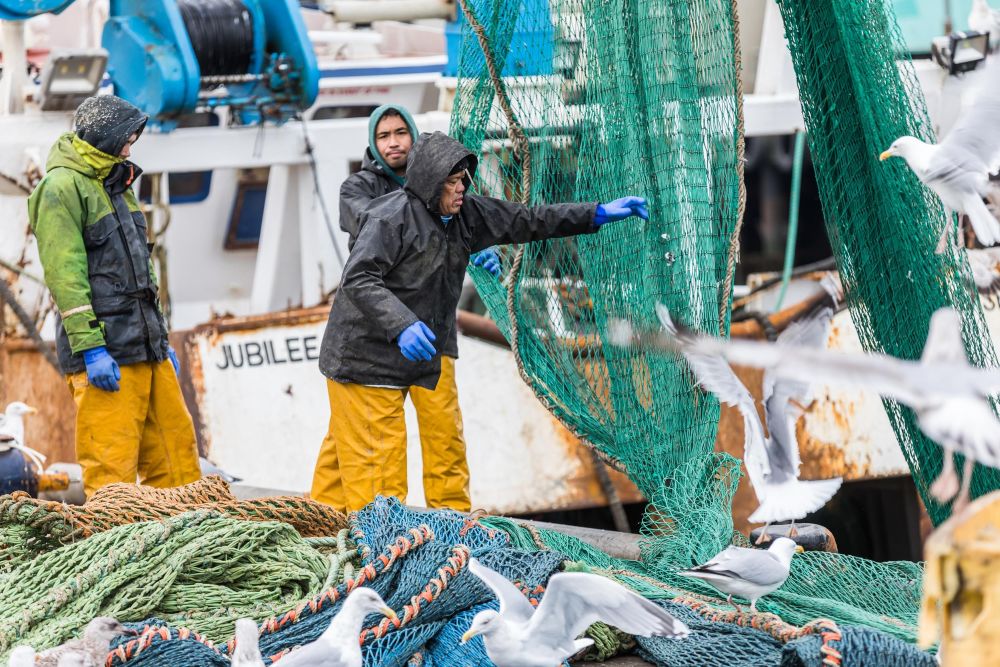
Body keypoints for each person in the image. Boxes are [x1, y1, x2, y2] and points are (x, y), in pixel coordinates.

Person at [314, 131, 648, 512]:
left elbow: (530, 220)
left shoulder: (466, 214)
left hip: (419, 356)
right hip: (365, 359)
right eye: (451, 183)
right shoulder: (389, 218)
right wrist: (401, 324)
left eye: (462, 181)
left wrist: (596, 213)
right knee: (378, 470)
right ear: (428, 183)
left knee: (407, 449)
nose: (460, 190)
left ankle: (391, 528)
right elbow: (358, 278)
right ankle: (374, 551)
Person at [311, 105, 498, 513]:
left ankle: (452, 518)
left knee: (444, 431)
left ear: (414, 136)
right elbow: (377, 226)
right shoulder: (357, 189)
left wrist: (477, 241)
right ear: (373, 145)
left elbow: (478, 219)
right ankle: (322, 517)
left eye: (400, 132)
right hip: (378, 337)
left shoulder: (450, 187)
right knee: (344, 436)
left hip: (432, 334)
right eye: (383, 136)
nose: (393, 142)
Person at [28, 95, 201, 497]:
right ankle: (116, 553)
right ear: (103, 136)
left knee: (178, 458)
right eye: (126, 138)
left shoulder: (118, 182)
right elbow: (65, 277)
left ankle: (189, 546)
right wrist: (91, 350)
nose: (130, 147)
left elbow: (144, 269)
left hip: (148, 349)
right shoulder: (60, 188)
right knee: (112, 472)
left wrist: (161, 339)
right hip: (106, 354)